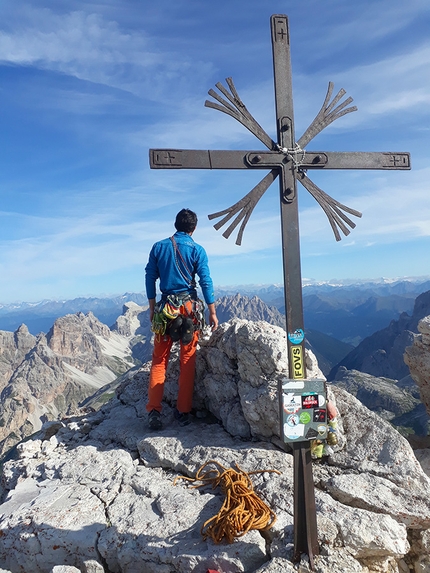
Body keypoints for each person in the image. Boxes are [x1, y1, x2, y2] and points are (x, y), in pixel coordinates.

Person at [145, 208, 218, 430]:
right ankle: (183, 411)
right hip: (189, 310)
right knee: (187, 359)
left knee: (159, 360)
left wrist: (151, 307)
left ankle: (154, 411)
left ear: (175, 225)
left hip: (166, 309)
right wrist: (212, 312)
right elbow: (205, 281)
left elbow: (150, 277)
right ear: (193, 229)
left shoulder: (158, 247)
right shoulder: (198, 250)